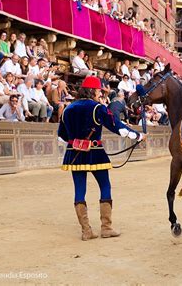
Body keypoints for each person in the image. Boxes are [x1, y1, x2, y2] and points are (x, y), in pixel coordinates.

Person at [57, 76, 146, 241]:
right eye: (98, 90)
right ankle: (106, 227)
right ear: (92, 90)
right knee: (105, 185)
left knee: (79, 190)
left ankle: (86, 231)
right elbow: (116, 125)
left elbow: (61, 134)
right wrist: (138, 135)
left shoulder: (68, 109)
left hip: (74, 153)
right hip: (95, 151)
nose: (100, 94)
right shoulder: (98, 107)